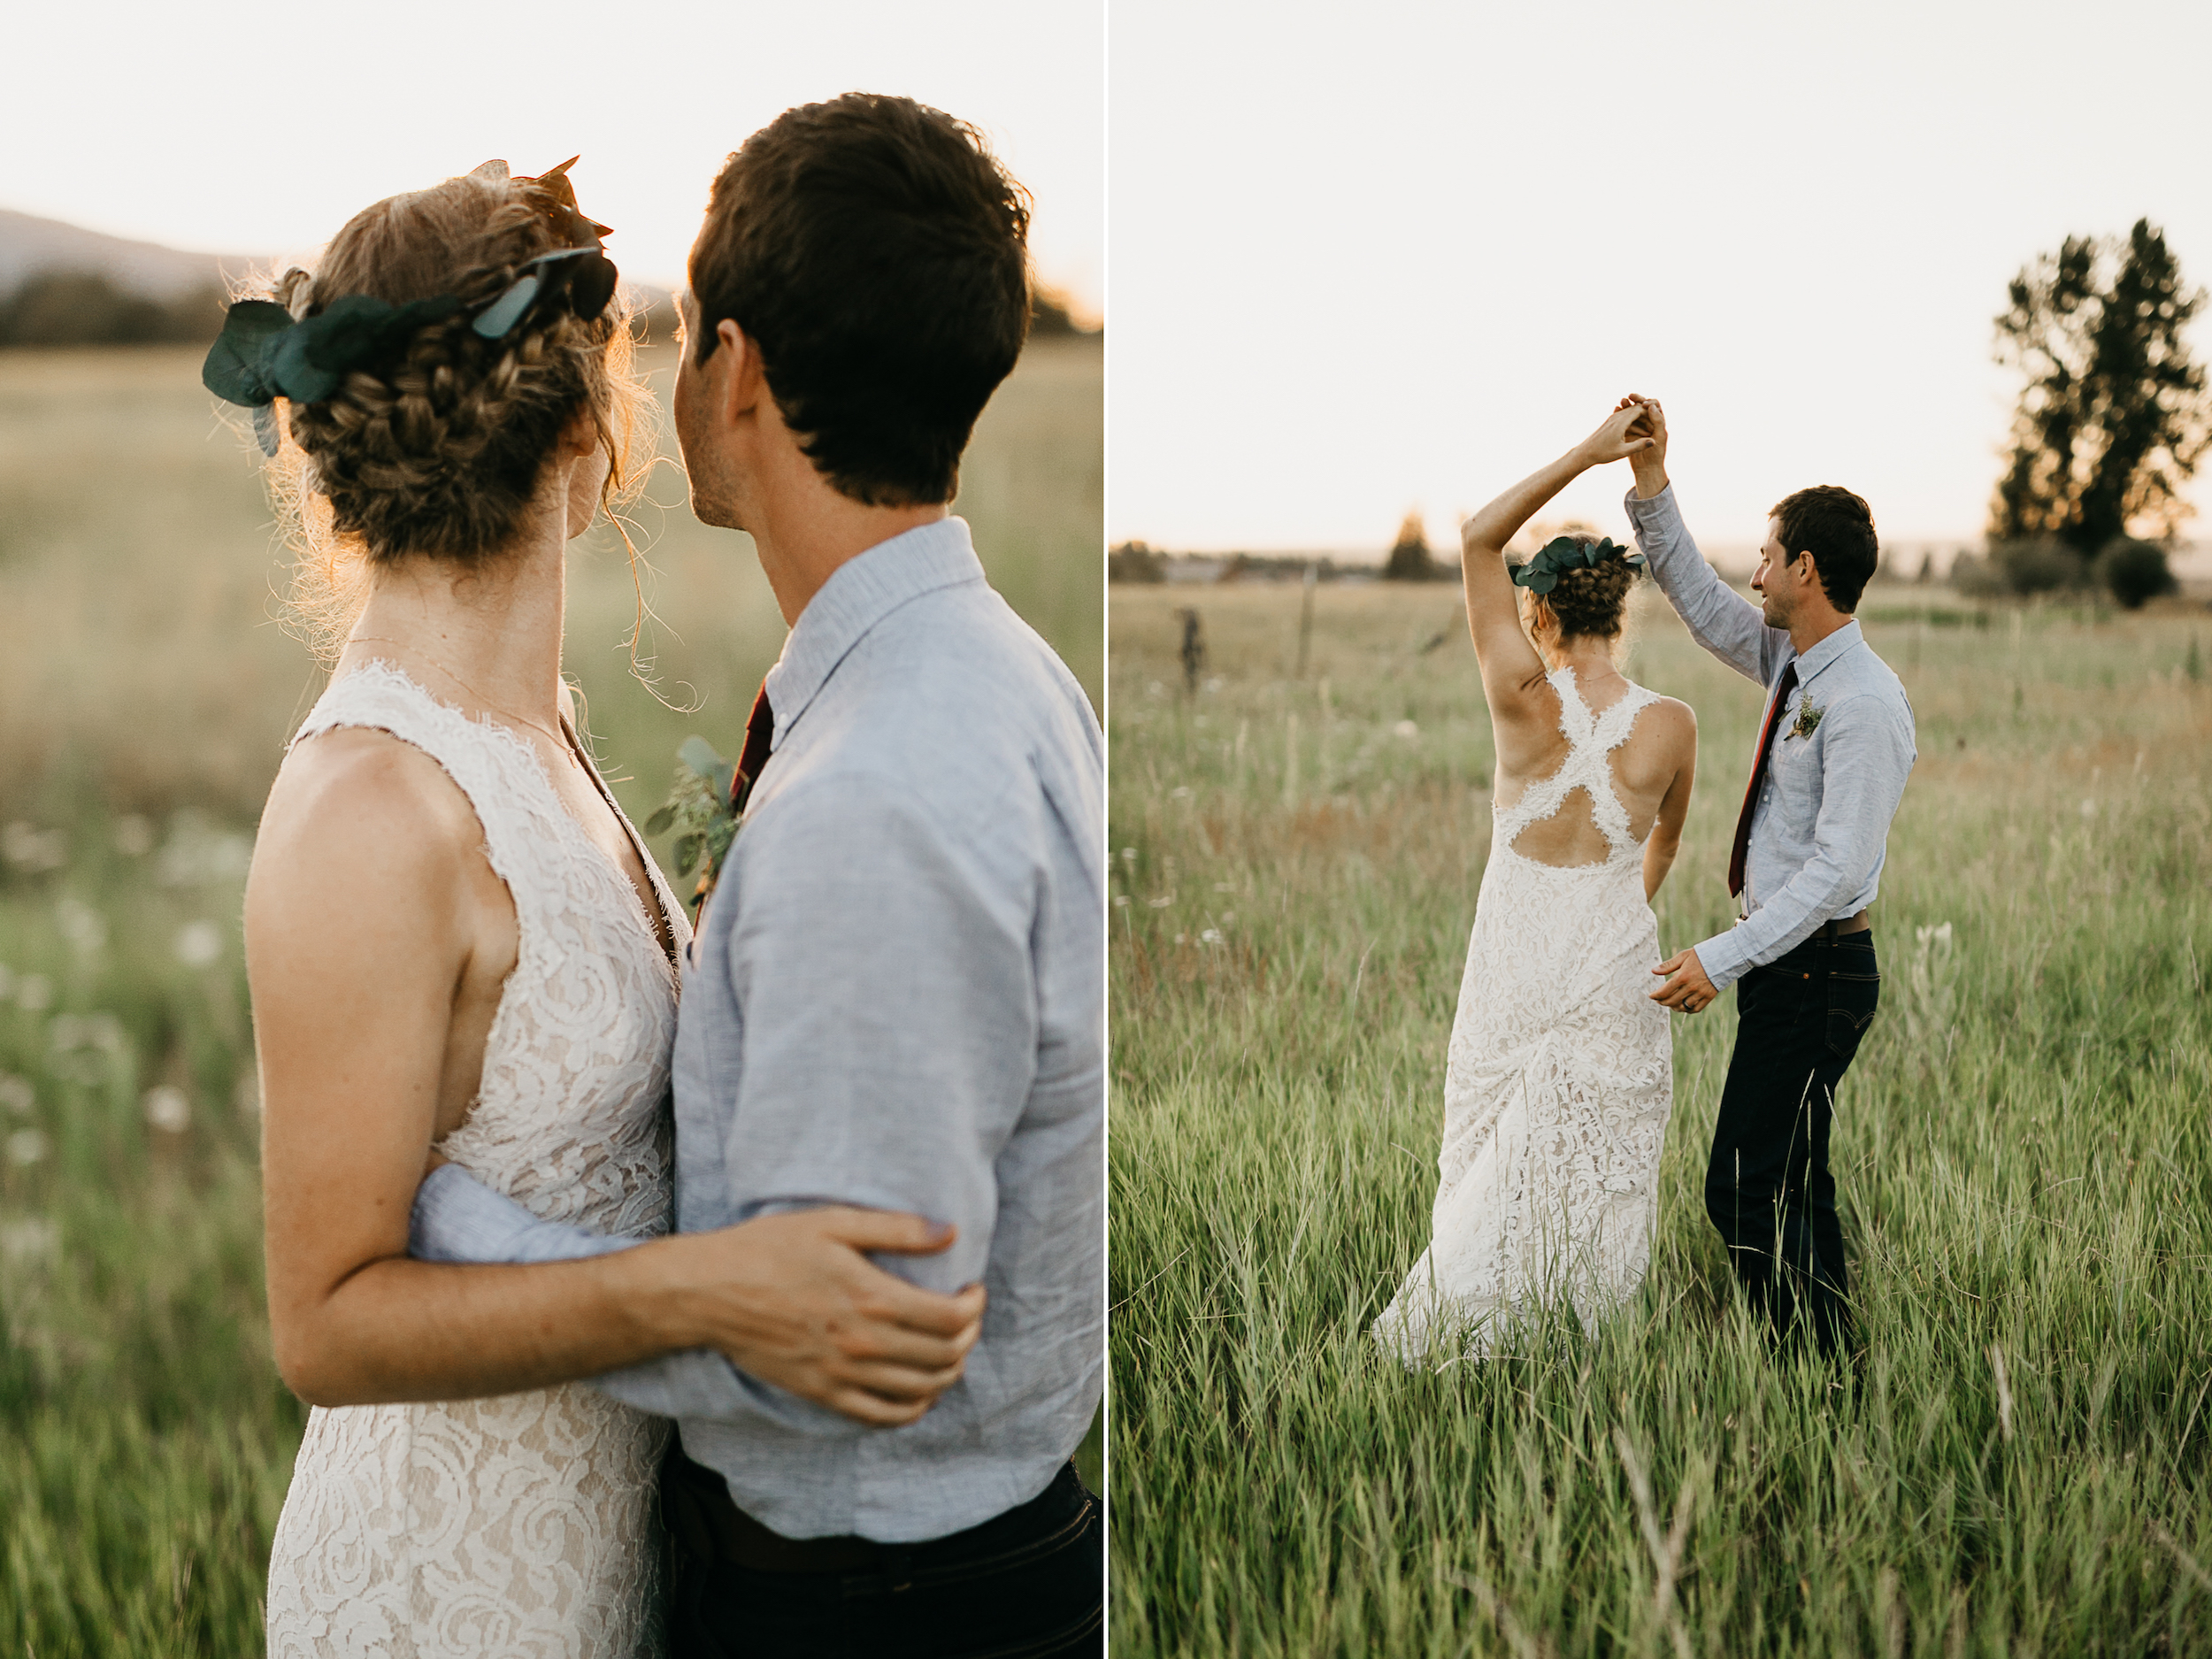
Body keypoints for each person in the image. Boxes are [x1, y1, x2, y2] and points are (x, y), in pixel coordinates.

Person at [226, 159, 984, 1659]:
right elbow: (325, 1323)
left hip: (608, 1562)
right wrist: (715, 1292)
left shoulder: (529, 740)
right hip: (443, 1591)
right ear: (596, 424)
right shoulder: (371, 808)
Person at [410, 96, 1106, 1658]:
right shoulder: (988, 672)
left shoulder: (877, 795)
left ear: (731, 369)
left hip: (879, 1604)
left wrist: (462, 1227)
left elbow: (829, 1346)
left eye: (679, 333)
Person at [1373, 403, 1696, 1363]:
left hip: (1513, 957)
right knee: (1600, 1170)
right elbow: (1666, 849)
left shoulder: (1518, 699)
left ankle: (1464, 1334)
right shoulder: (1672, 724)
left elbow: (1475, 535)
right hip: (1610, 964)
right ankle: (1576, 1341)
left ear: (1540, 615)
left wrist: (1589, 454)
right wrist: (1607, 923)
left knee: (1486, 1160)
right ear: (1620, 611)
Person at [1625, 395, 1916, 1363]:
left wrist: (1720, 955)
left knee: (1742, 1184)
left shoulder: (1864, 703)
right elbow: (1701, 604)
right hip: (1788, 973)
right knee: (1793, 1178)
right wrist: (1652, 481)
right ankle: (1834, 1372)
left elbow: (1837, 872)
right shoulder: (1795, 666)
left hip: (1818, 975)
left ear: (1805, 568)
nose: (1749, 572)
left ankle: (1808, 1367)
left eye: (1764, 554)